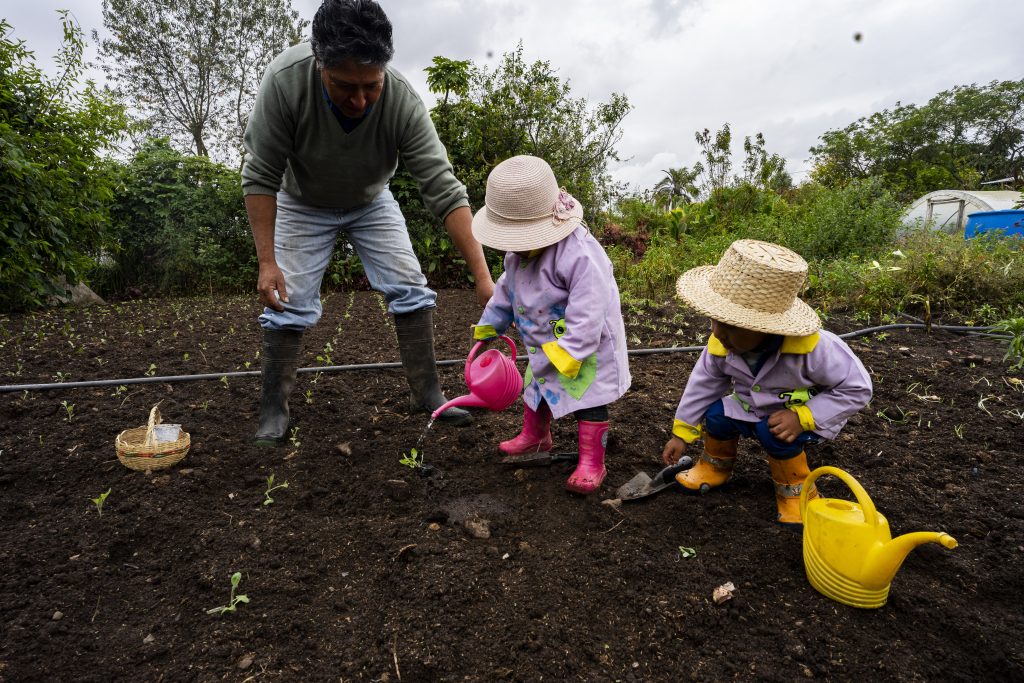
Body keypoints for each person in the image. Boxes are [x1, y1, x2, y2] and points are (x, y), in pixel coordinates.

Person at [241, 0, 494, 445]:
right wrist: (267, 262)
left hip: (371, 199)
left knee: (410, 285)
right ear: (319, 64)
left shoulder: (401, 100)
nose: (359, 101)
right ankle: (272, 408)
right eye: (344, 86)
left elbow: (443, 188)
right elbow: (260, 175)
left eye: (371, 86)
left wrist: (483, 277)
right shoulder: (284, 81)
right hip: (301, 201)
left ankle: (428, 393)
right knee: (288, 300)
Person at [661, 239, 872, 525]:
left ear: (767, 327)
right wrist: (682, 433)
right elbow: (703, 385)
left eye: (730, 325)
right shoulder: (722, 344)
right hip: (750, 406)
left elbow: (857, 388)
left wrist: (803, 417)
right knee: (717, 415)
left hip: (802, 414)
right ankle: (714, 467)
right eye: (714, 320)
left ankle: (796, 492)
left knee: (773, 432)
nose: (718, 332)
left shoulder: (815, 349)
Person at [470, 156, 631, 494]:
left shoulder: (580, 255)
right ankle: (536, 436)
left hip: (583, 346)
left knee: (588, 398)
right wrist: (490, 326)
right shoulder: (516, 256)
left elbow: (591, 308)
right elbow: (505, 291)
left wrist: (572, 350)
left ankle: (592, 461)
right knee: (538, 387)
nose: (513, 245)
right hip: (543, 342)